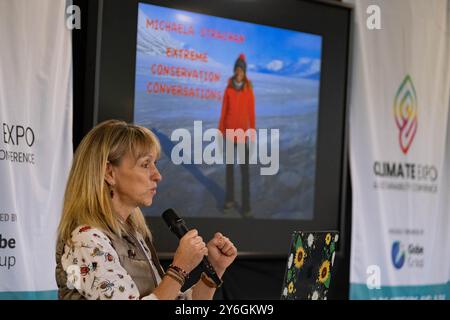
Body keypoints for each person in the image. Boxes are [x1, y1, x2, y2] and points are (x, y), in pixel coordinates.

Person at [55, 120, 237, 300]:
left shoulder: (133, 236)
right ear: (110, 173)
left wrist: (214, 270)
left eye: (155, 164)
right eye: (145, 164)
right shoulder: (86, 240)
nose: (157, 175)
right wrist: (179, 268)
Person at [218, 53, 256, 218]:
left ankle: (246, 206)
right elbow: (224, 111)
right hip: (228, 133)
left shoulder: (248, 90)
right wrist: (220, 131)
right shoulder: (228, 89)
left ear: (244, 72)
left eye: (242, 69)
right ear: (235, 70)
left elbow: (251, 113)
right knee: (229, 170)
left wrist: (252, 131)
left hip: (242, 136)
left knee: (244, 171)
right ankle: (230, 200)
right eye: (237, 69)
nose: (239, 72)